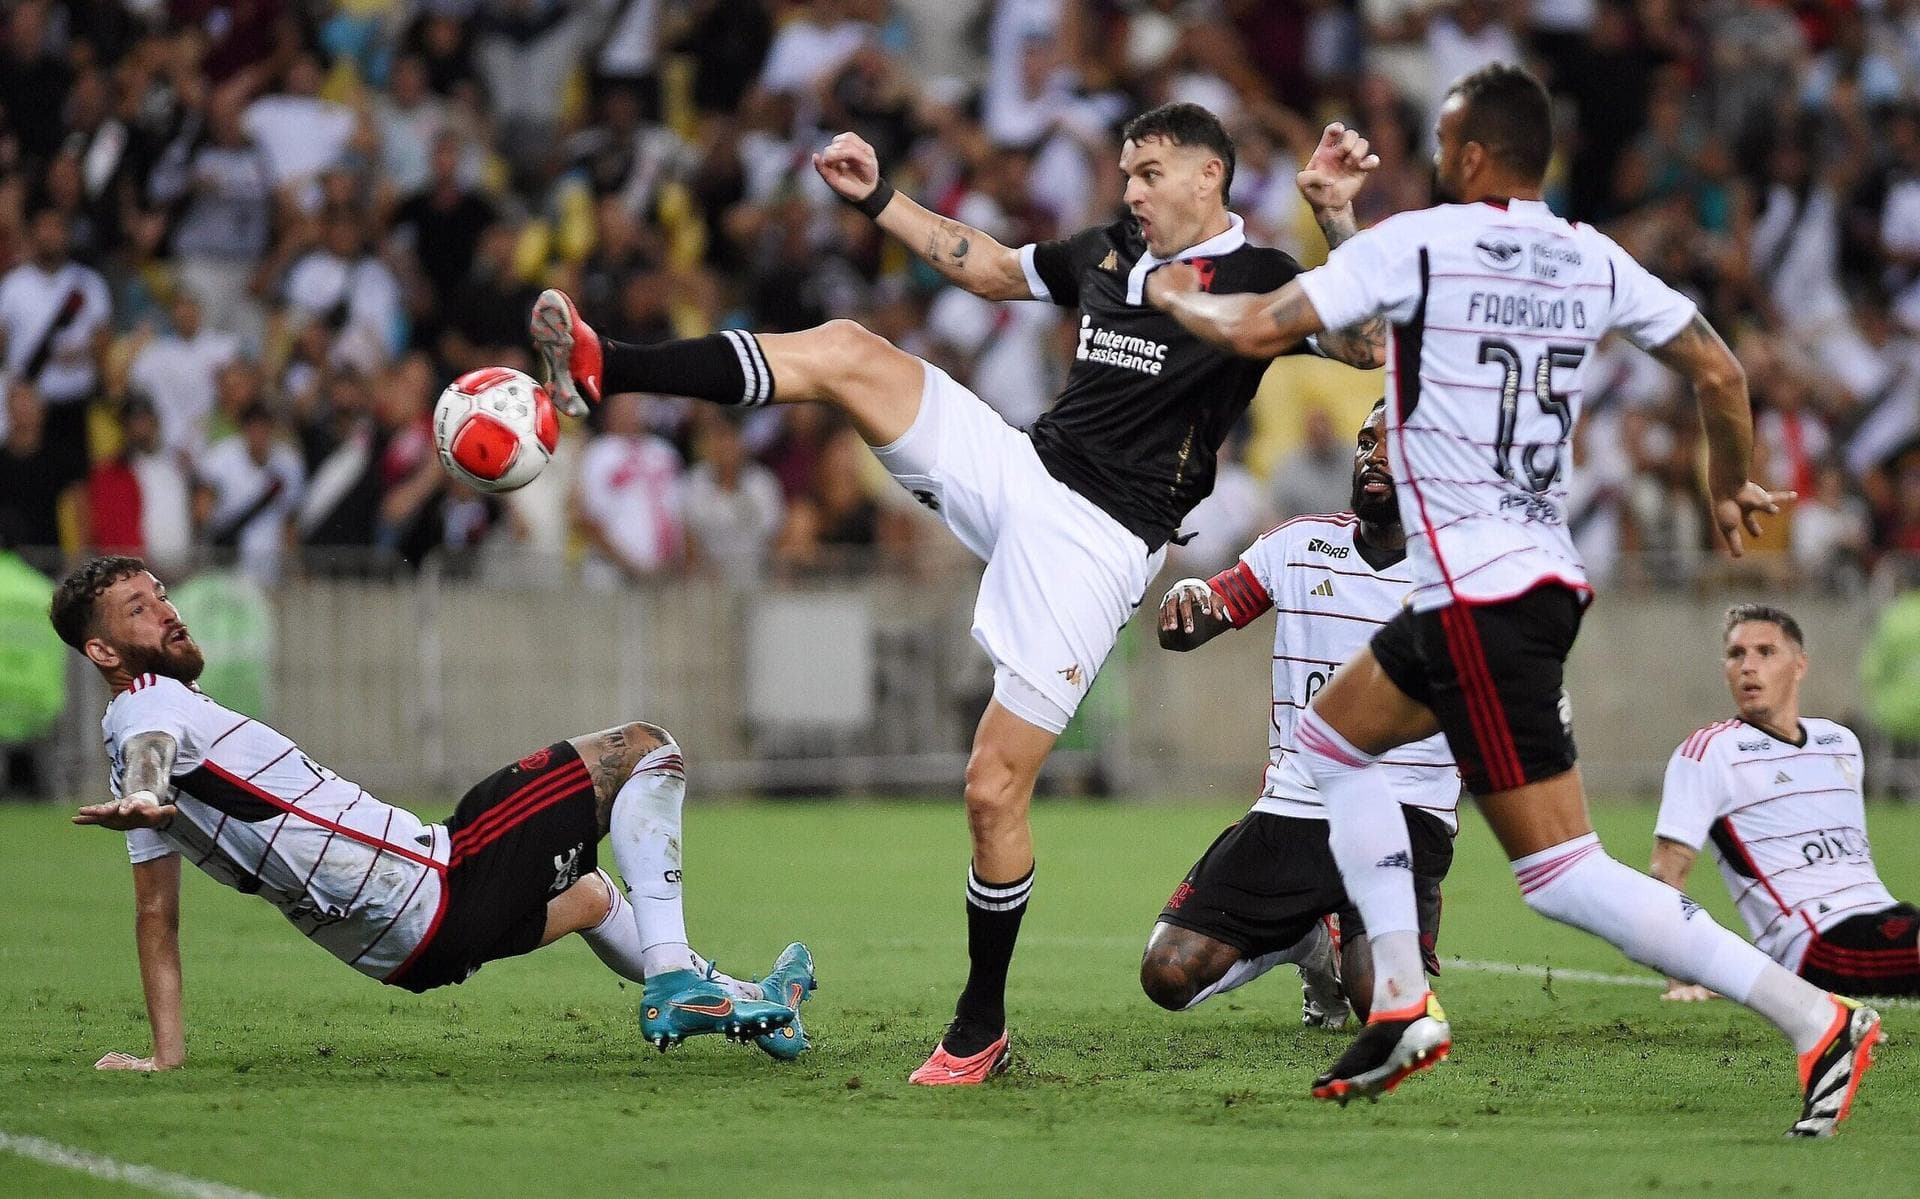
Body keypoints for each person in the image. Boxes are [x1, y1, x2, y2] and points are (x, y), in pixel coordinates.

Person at [530, 103, 1388, 1084]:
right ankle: (603, 370)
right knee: (851, 351)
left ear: (1210, 177)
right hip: (1023, 469)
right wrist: (881, 198)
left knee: (991, 785)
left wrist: (1337, 216)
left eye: (1150, 171)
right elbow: (985, 265)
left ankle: (980, 1024)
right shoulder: (1110, 252)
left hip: (1096, 542)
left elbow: (1366, 345)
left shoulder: (1261, 280)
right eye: (1126, 171)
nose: (1132, 188)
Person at [1144, 63, 1879, 1137]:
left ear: (1476, 153)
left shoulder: (1428, 236)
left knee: (1565, 872)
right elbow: (1720, 373)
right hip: (1525, 579)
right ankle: (1400, 996)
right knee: (1336, 739)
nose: (1439, 156)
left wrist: (1170, 289)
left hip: (1479, 595)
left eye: (1447, 140)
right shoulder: (1587, 255)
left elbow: (1262, 326)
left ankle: (1815, 1017)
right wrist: (1728, 484)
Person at [50, 555, 815, 1071]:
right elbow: (150, 746)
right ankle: (677, 980)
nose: (167, 611)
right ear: (103, 653)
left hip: (402, 954)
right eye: (137, 608)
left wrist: (166, 1055)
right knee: (646, 749)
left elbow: (156, 914)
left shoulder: (142, 741)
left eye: (160, 594)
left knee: (588, 894)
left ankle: (754, 1004)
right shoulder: (145, 711)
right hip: (437, 880)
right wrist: (148, 791)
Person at [1143, 402, 1458, 1027]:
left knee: (1383, 1004)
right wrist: (1190, 600)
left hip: (1408, 813)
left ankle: (1357, 954)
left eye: (1394, 443)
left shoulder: (1463, 571)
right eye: (1366, 441)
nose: (1374, 455)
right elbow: (1214, 607)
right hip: (1297, 807)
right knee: (1167, 972)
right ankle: (1305, 941)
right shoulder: (1298, 545)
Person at [1653, 606, 1920, 999]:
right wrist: (1679, 975)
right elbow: (1667, 872)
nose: (1748, 666)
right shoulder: (1710, 752)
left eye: (1765, 652)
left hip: (1884, 916)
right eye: (1736, 654)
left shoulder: (1841, 743)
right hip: (1814, 942)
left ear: (1799, 665)